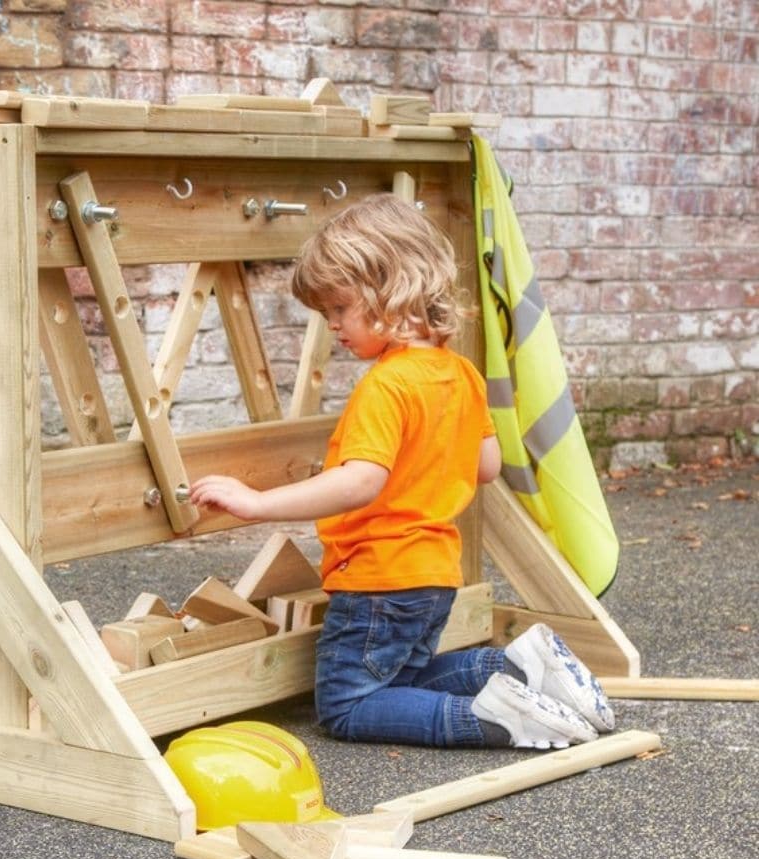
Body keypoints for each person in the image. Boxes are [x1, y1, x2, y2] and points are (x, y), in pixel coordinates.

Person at [190, 194, 614, 750]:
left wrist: (257, 502)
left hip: (379, 581)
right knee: (403, 680)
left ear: (387, 290)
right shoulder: (459, 372)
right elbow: (486, 466)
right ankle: (514, 669)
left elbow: (361, 481)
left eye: (339, 309)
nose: (334, 327)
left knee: (348, 704)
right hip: (434, 577)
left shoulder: (386, 385)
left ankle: (496, 720)